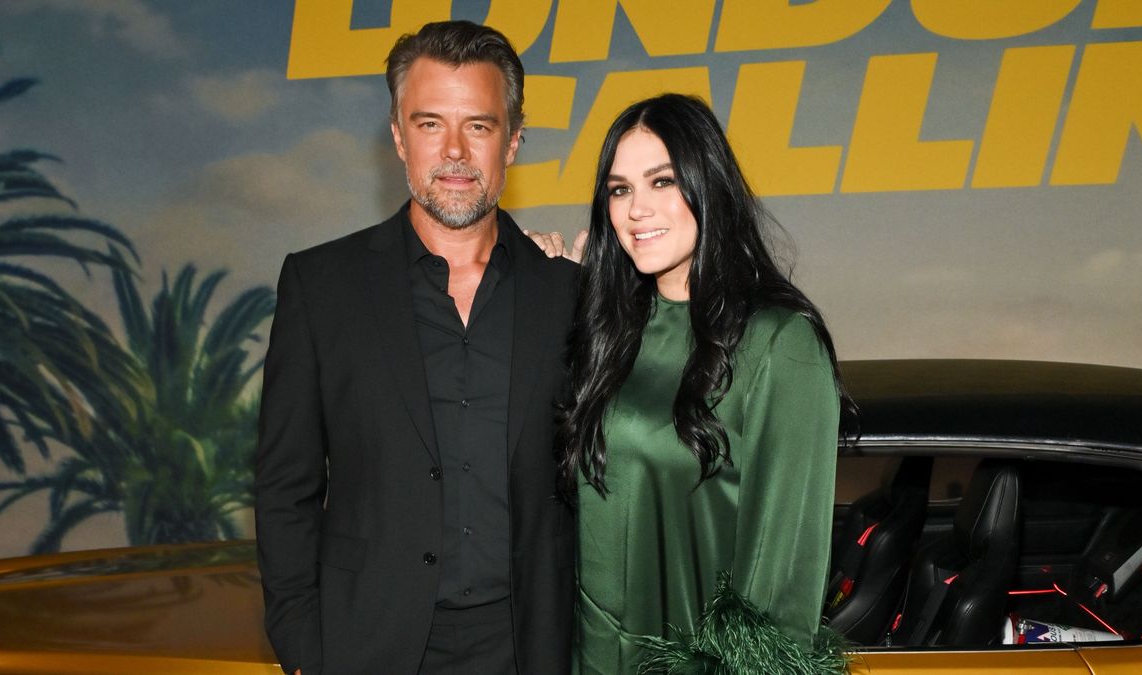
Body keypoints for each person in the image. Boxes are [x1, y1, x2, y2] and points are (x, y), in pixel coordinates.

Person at [254, 21, 577, 675]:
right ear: (399, 139)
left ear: (512, 141)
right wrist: (304, 649)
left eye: (479, 126)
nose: (454, 152)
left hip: (532, 651)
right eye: (430, 124)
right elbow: (284, 486)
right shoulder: (321, 287)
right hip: (367, 649)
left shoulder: (572, 295)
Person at [558, 94, 851, 674]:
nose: (637, 209)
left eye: (661, 181)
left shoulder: (778, 343)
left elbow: (780, 589)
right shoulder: (610, 331)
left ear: (707, 184)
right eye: (619, 190)